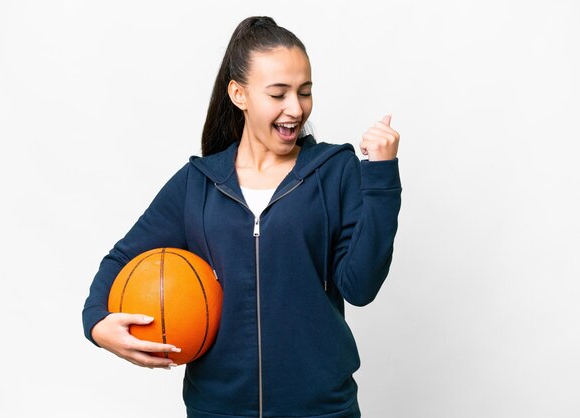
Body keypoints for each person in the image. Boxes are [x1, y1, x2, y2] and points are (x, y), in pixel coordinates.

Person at [83, 16, 402, 418]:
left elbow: (360, 286)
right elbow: (120, 261)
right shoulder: (198, 184)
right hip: (217, 409)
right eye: (278, 93)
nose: (296, 108)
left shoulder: (335, 171)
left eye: (304, 92)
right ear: (239, 94)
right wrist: (97, 323)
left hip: (321, 410)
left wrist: (381, 177)